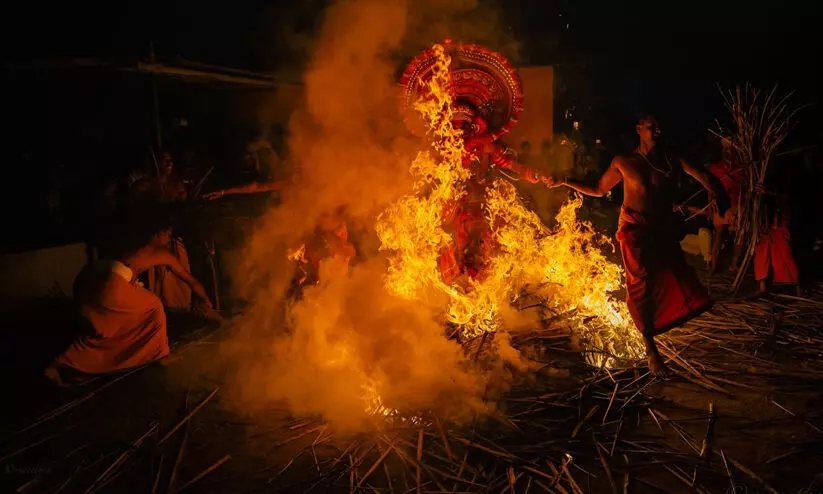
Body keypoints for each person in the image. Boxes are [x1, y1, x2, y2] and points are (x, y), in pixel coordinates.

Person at [540, 115, 726, 376]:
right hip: (634, 230)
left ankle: (664, 322)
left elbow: (703, 175)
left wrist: (716, 194)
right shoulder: (624, 161)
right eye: (651, 127)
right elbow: (598, 189)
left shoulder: (671, 158)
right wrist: (564, 180)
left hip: (661, 230)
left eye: (659, 127)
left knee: (675, 275)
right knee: (640, 283)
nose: (657, 131)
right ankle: (650, 348)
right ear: (639, 130)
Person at [44, 214, 220, 384]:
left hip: (90, 274)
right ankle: (161, 355)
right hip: (111, 282)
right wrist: (206, 300)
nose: (169, 239)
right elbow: (191, 281)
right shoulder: (160, 251)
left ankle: (60, 365)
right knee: (154, 306)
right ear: (160, 233)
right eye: (168, 235)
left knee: (107, 328)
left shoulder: (134, 240)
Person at [130, 151, 194, 310]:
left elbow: (183, 209)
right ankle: (161, 307)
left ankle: (180, 307)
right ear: (156, 163)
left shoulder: (177, 185)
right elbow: (134, 209)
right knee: (159, 276)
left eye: (171, 160)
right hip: (153, 237)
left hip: (172, 237)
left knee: (178, 274)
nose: (169, 164)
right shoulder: (145, 186)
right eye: (164, 160)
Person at [754, 183, 801, 295]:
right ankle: (762, 286)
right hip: (765, 224)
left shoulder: (785, 180)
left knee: (784, 254)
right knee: (762, 252)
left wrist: (769, 192)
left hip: (780, 224)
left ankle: (797, 286)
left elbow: (790, 198)